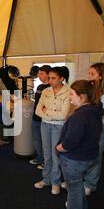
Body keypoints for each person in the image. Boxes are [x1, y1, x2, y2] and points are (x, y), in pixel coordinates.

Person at [53, 80, 104, 209]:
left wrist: (58, 148)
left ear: (82, 97)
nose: (70, 97)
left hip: (75, 160)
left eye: (72, 94)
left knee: (73, 190)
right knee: (78, 186)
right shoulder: (95, 112)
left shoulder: (80, 116)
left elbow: (70, 142)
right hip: (89, 157)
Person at [34, 67, 71, 195]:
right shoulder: (46, 91)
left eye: (53, 78)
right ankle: (46, 179)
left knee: (56, 156)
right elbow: (37, 110)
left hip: (59, 126)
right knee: (47, 154)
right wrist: (51, 113)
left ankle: (55, 182)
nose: (50, 80)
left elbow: (63, 115)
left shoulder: (68, 92)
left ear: (62, 78)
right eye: (49, 78)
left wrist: (46, 112)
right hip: (45, 125)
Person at [84, 62, 104, 196]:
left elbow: (99, 118)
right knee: (87, 156)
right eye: (89, 73)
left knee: (95, 158)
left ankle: (90, 184)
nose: (89, 77)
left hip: (102, 130)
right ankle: (83, 181)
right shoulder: (94, 91)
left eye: (92, 74)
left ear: (102, 76)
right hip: (92, 128)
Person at [29, 65, 51, 170]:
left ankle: (46, 162)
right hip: (35, 118)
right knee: (36, 140)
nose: (39, 75)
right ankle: (39, 158)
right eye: (39, 73)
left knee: (45, 143)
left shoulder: (51, 88)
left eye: (42, 73)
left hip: (44, 120)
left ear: (48, 74)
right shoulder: (39, 87)